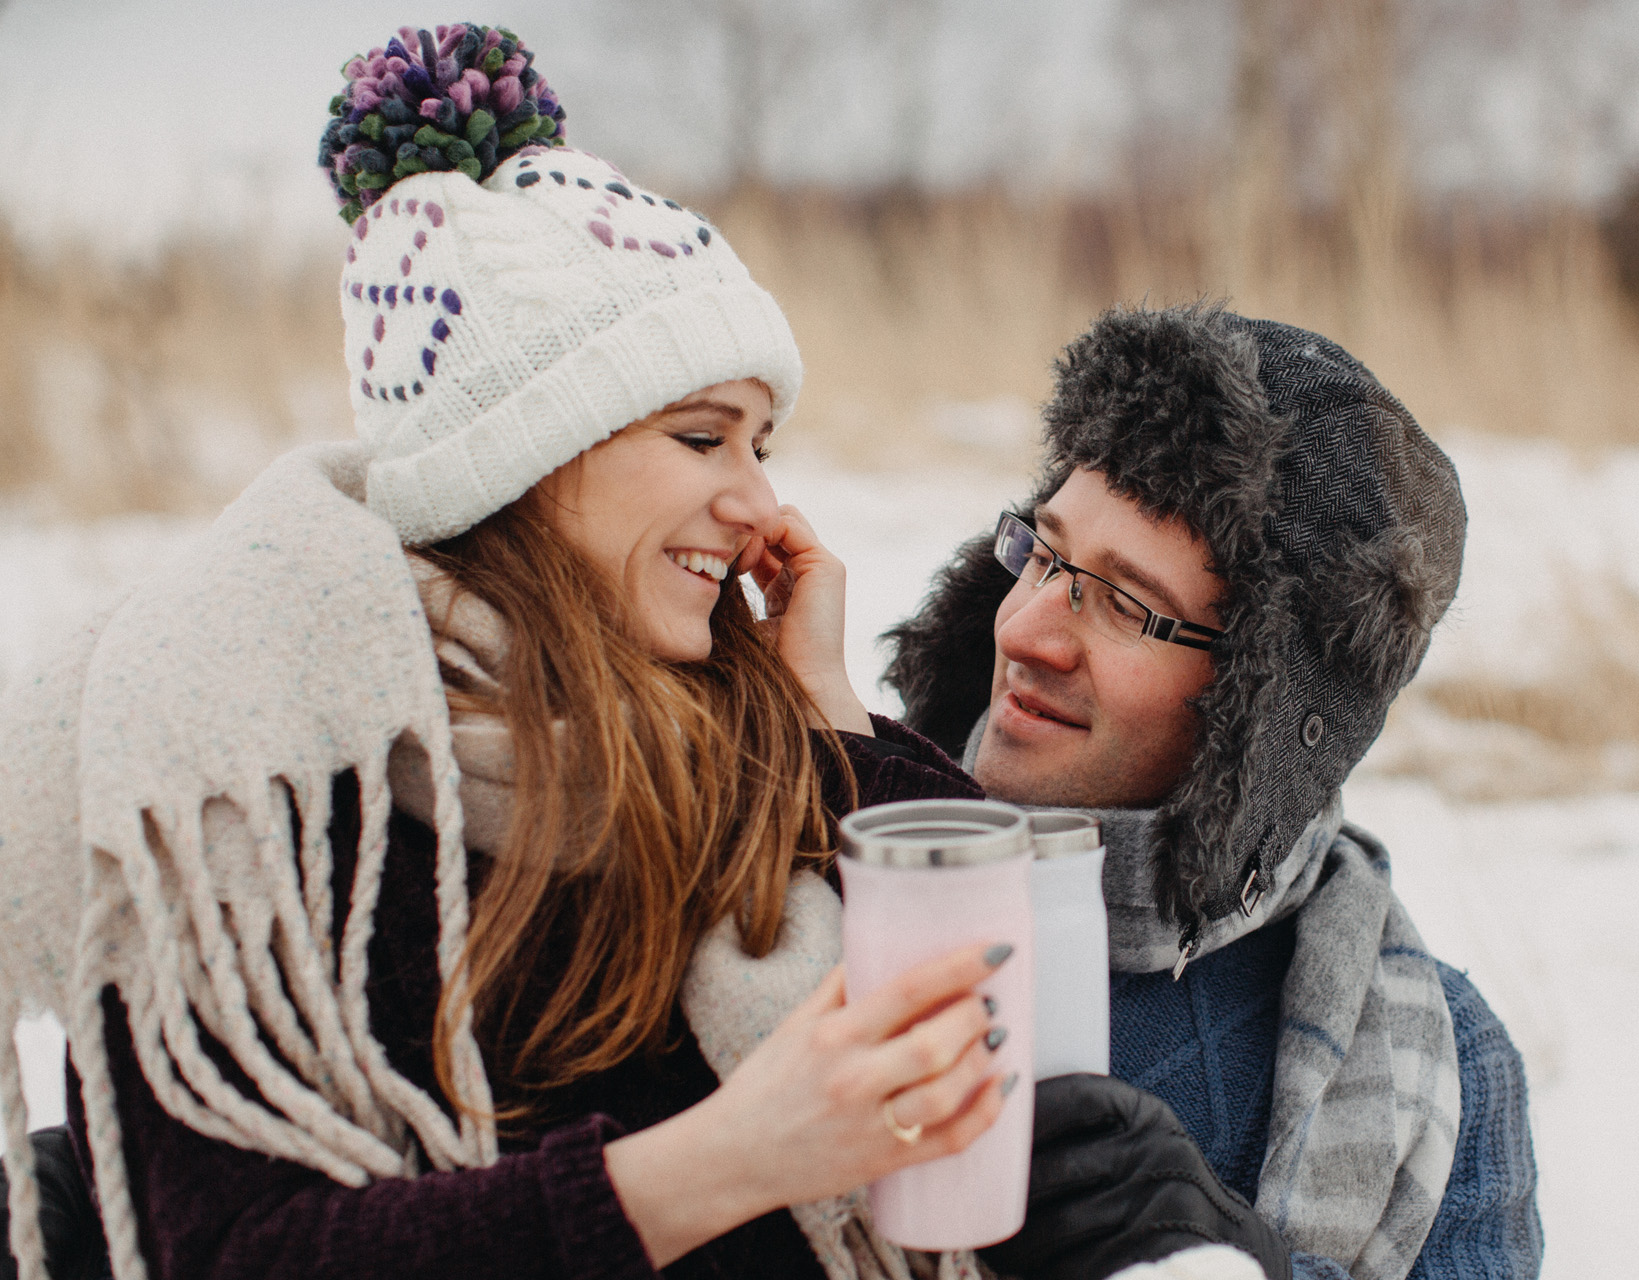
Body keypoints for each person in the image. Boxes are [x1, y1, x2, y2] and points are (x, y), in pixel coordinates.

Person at [0, 24, 1012, 1280]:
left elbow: (1004, 1001)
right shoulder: (256, 783)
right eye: (704, 438)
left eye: (766, 446)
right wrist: (732, 1155)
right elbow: (238, 1250)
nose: (761, 505)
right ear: (528, 451)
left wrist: (827, 707)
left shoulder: (735, 713)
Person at [883, 304, 1545, 1280]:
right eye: (1049, 552)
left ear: (1264, 702)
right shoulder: (842, 867)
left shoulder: (1440, 1059)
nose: (1024, 630)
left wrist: (1245, 1263)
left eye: (1125, 602)